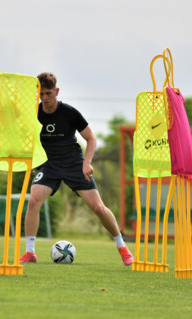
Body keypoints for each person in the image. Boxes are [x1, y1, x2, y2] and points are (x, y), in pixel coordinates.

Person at [19, 72, 133, 265]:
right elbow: (28, 140)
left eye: (48, 93)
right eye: (41, 94)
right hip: (49, 165)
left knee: (98, 207)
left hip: (74, 164)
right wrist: (32, 161)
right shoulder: (34, 113)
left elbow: (91, 138)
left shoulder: (69, 112)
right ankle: (30, 252)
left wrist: (86, 163)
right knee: (34, 200)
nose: (45, 98)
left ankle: (122, 247)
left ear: (56, 91)